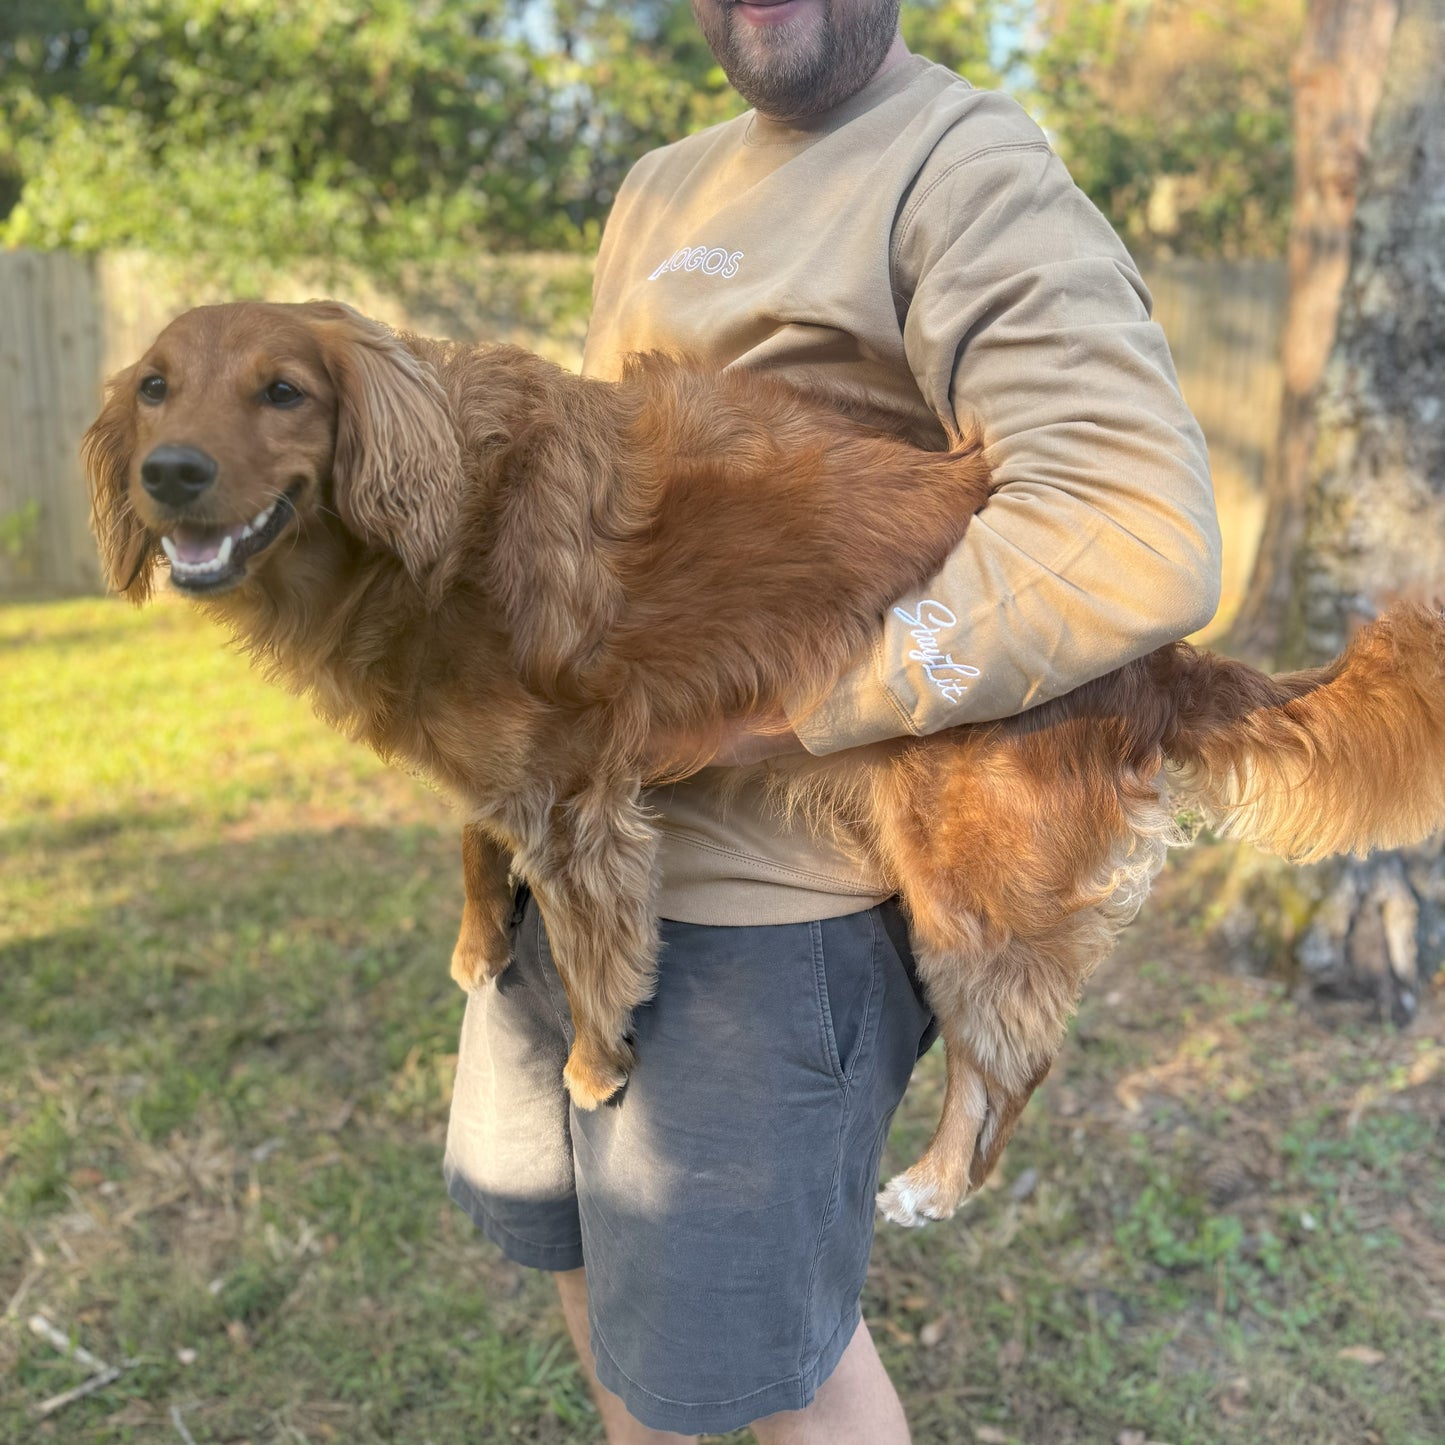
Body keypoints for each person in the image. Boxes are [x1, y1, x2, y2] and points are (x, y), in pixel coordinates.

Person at [444, 1, 1221, 1440]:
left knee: (759, 1374)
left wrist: (785, 711)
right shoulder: (660, 186)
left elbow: (1134, 529)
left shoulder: (962, 166)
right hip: (573, 860)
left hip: (762, 922)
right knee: (590, 1271)